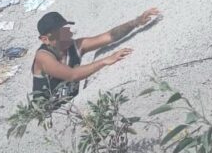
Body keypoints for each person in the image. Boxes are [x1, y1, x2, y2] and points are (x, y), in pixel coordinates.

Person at [31, 7, 162, 108]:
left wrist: (136, 22)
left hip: (73, 106)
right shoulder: (43, 57)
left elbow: (109, 37)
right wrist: (104, 61)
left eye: (65, 29)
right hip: (48, 115)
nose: (66, 34)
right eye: (58, 33)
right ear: (45, 39)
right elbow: (72, 75)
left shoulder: (75, 46)